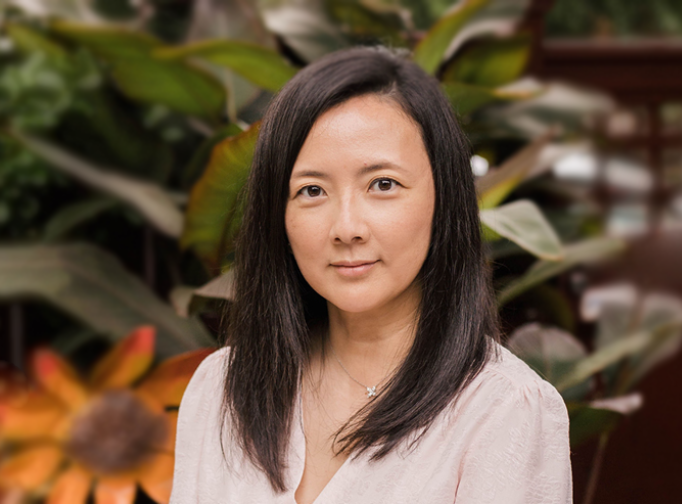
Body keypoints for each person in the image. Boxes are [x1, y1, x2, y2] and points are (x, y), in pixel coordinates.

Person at [170, 46, 572, 504]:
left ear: (444, 198)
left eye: (383, 184)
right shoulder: (222, 389)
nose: (347, 228)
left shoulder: (504, 411)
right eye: (312, 190)